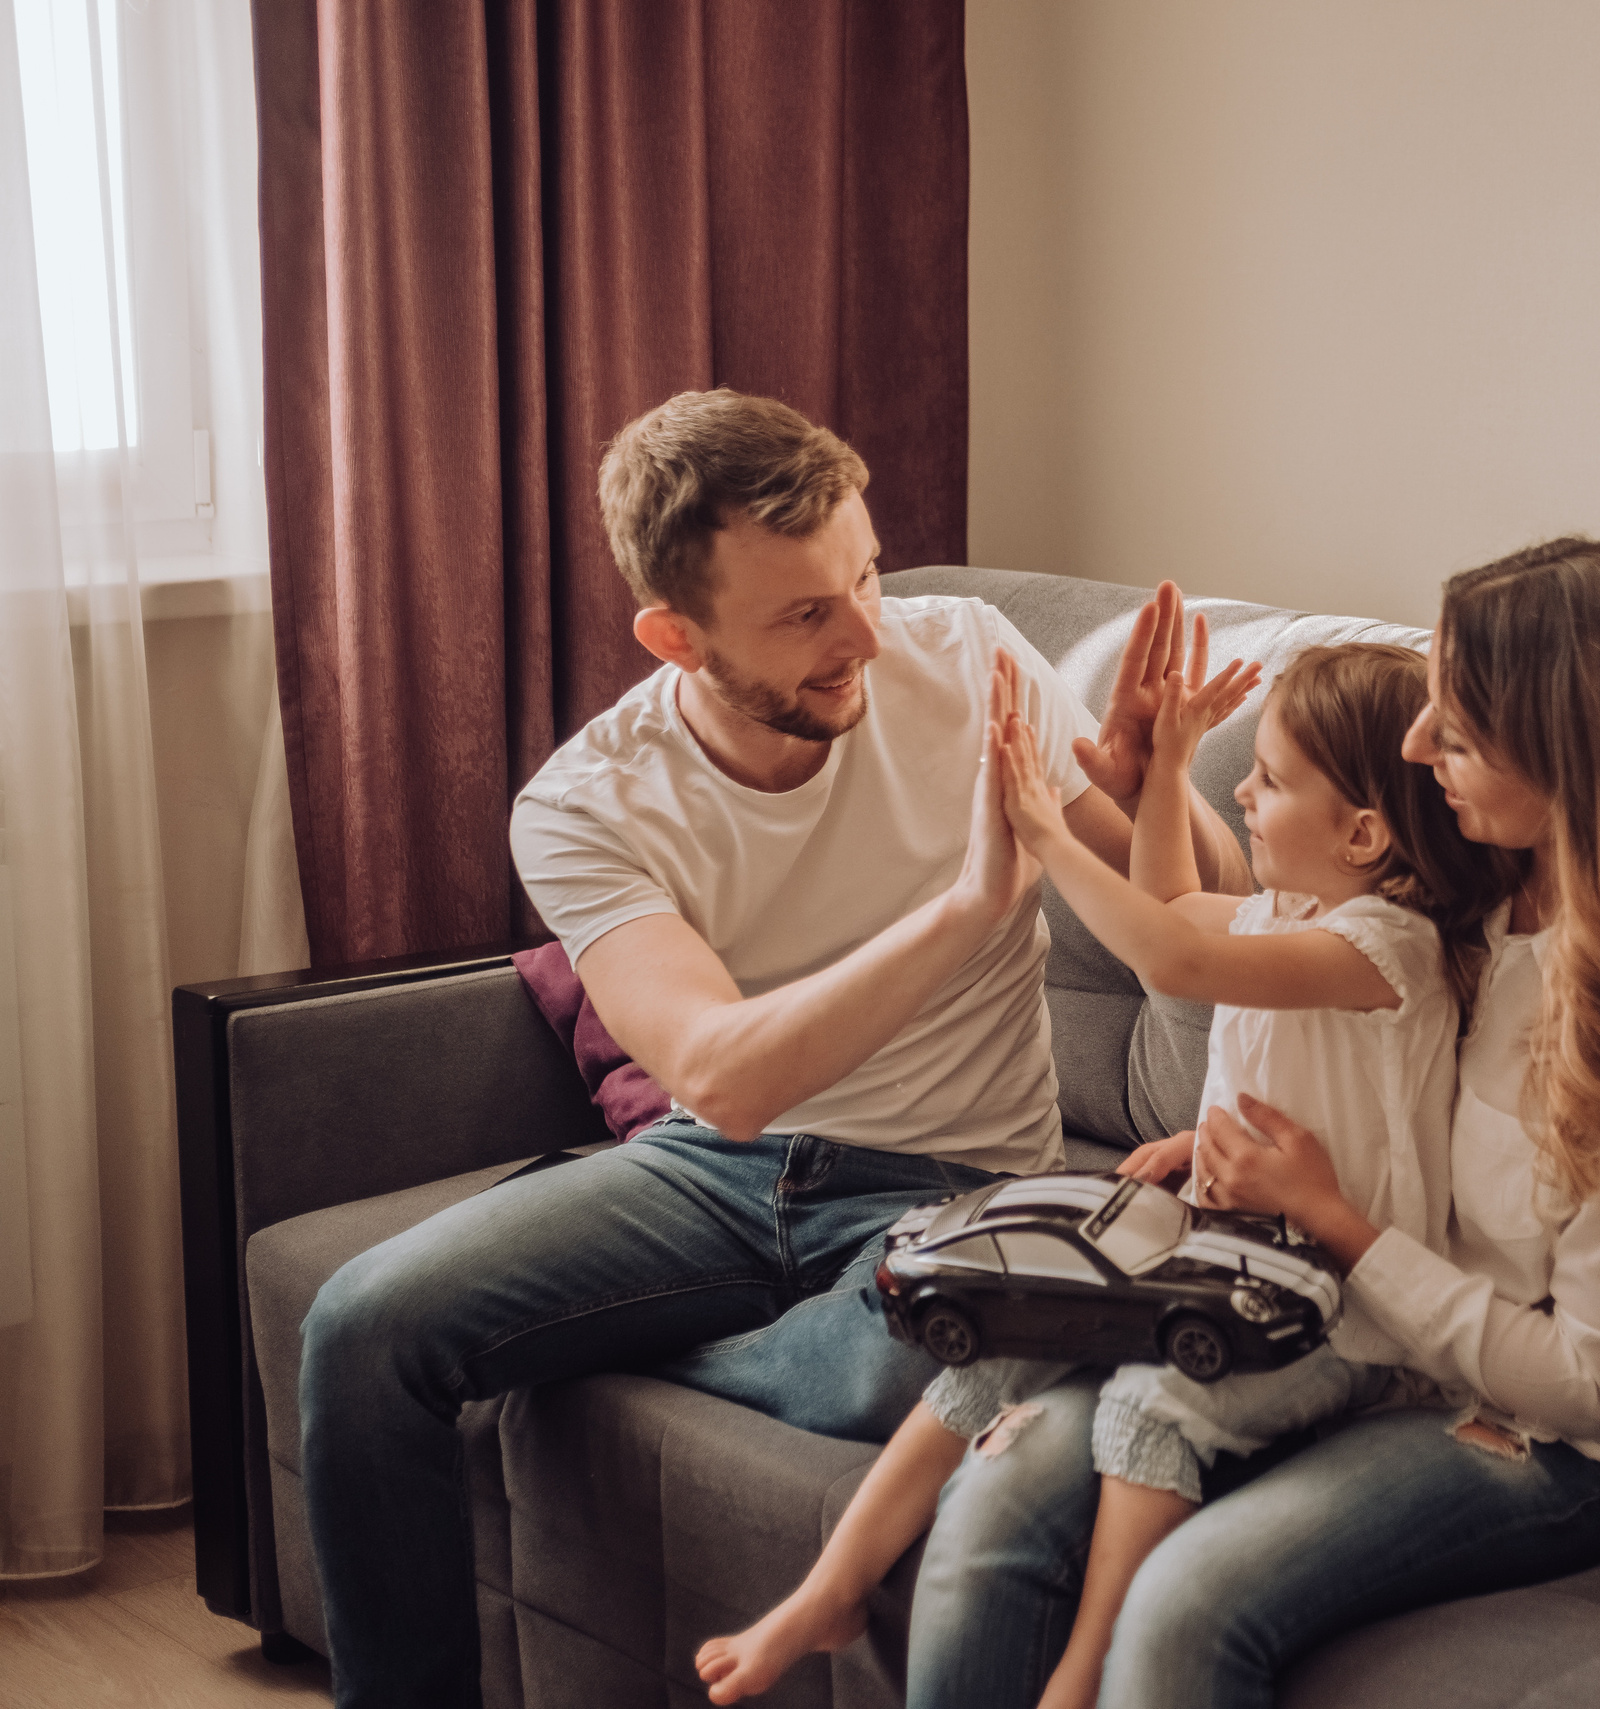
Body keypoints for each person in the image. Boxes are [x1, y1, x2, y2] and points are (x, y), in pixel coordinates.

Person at [292, 389, 1252, 1709]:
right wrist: (965, 906)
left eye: (862, 574)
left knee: (922, 1365)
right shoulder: (586, 804)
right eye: (805, 612)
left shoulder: (965, 655)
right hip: (716, 1171)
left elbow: (1214, 909)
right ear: (675, 636)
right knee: (362, 1326)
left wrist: (1153, 788)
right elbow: (723, 1077)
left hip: (957, 1184)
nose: (868, 630)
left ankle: (633, 1340)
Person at [900, 536, 1600, 1709]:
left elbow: (1584, 1383)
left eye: (1455, 729)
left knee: (1185, 1598)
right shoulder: (1466, 886)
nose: (1418, 745)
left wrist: (1338, 1224)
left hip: (1546, 1435)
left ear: (1567, 753)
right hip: (1344, 1336)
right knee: (998, 1496)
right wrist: (1157, 769)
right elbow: (1200, 923)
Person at [693, 639, 1512, 1708]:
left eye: (1268, 780)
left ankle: (1079, 1679)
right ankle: (831, 1587)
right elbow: (1170, 898)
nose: (1247, 798)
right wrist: (1170, 767)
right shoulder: (1294, 916)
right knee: (994, 1345)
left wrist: (1042, 828)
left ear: (1363, 831)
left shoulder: (1386, 947)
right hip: (1232, 1255)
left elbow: (1168, 956)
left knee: (1148, 1407)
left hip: (1348, 1318)